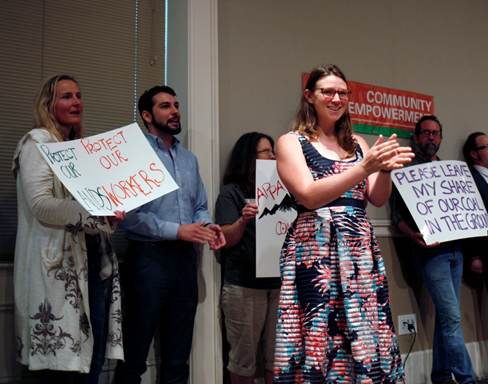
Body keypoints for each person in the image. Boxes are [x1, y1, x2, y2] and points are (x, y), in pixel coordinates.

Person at [274, 64, 411, 384]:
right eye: (328, 91)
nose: (336, 98)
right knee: (320, 328)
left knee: (363, 326)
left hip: (359, 247)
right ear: (309, 96)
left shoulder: (358, 144)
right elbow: (308, 195)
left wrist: (385, 168)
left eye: (343, 93)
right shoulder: (291, 142)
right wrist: (365, 167)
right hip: (315, 248)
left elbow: (376, 198)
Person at [12, 74, 125, 384]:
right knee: (58, 370)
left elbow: (93, 205)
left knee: (92, 359)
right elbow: (41, 205)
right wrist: (96, 212)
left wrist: (110, 213)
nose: (76, 101)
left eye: (78, 95)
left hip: (91, 264)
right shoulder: (37, 143)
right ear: (48, 105)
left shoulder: (79, 149)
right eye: (66, 96)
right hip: (56, 267)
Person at [114, 85, 226, 384]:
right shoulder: (131, 156)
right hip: (148, 261)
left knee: (178, 358)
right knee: (134, 355)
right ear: (147, 115)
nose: (175, 110)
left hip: (185, 263)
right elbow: (128, 217)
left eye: (176, 104)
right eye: (165, 106)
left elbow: (199, 205)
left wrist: (207, 226)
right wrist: (177, 230)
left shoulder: (189, 159)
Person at [389, 115, 476, 384]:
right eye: (425, 133)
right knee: (451, 316)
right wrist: (412, 235)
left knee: (445, 317)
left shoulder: (453, 170)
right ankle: (466, 379)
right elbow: (397, 215)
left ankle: (439, 376)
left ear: (441, 138)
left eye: (435, 133)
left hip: (455, 250)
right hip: (430, 253)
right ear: (416, 138)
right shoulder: (407, 171)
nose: (431, 138)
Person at [215, 132, 280, 384]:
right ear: (249, 157)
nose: (272, 155)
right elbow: (226, 238)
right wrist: (244, 219)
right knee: (243, 360)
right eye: (266, 152)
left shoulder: (280, 188)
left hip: (279, 284)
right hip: (244, 285)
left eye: (272, 151)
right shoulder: (231, 193)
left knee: (278, 358)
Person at [462, 132, 488, 284]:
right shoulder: (468, 180)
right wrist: (474, 256)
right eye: (487, 146)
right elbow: (468, 218)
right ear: (474, 153)